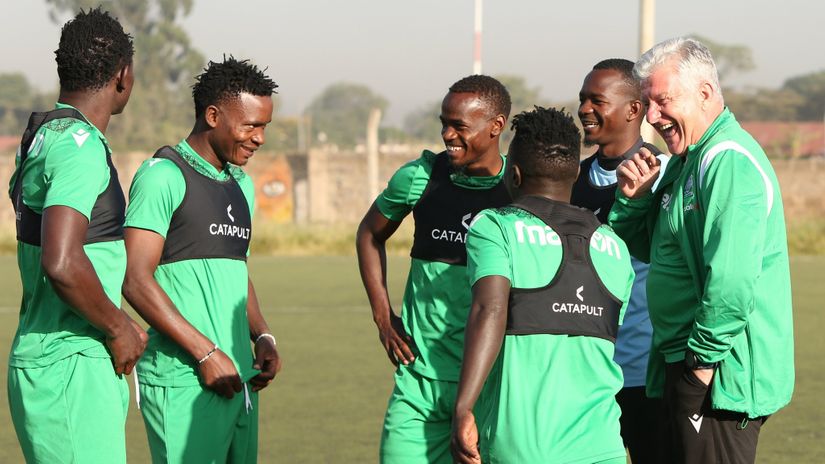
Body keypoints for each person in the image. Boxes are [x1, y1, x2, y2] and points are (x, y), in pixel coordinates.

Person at [609, 37, 794, 463]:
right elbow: (653, 249)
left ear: (705, 93)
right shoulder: (686, 160)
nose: (652, 117)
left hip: (716, 376)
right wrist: (633, 202)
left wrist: (698, 369)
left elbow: (730, 281)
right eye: (647, 104)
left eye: (662, 101)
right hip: (688, 364)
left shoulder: (727, 160)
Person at [451, 106, 635, 464]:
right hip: (603, 446)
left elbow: (490, 308)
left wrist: (463, 407)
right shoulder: (615, 247)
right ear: (574, 173)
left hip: (523, 447)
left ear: (514, 175)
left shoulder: (496, 227)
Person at [122, 56, 282, 463]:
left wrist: (261, 334)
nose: (259, 138)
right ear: (213, 115)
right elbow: (135, 278)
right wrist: (205, 353)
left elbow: (235, 272)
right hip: (184, 380)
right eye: (251, 125)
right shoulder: (162, 176)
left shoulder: (241, 185)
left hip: (238, 378)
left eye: (264, 126)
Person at [7, 8, 146, 463]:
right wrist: (119, 325)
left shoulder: (42, 135)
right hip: (72, 364)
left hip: (50, 356)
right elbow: (62, 262)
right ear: (122, 76)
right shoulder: (79, 148)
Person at [356, 75, 512, 463]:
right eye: (444, 122)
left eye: (460, 126)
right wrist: (382, 315)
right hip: (419, 385)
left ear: (496, 126)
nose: (447, 134)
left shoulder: (518, 189)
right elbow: (368, 234)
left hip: (490, 390)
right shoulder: (420, 177)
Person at [573, 58, 668, 463]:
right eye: (582, 100)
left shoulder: (666, 173)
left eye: (597, 100)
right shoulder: (569, 181)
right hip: (587, 375)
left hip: (647, 375)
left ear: (634, 109)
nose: (584, 109)